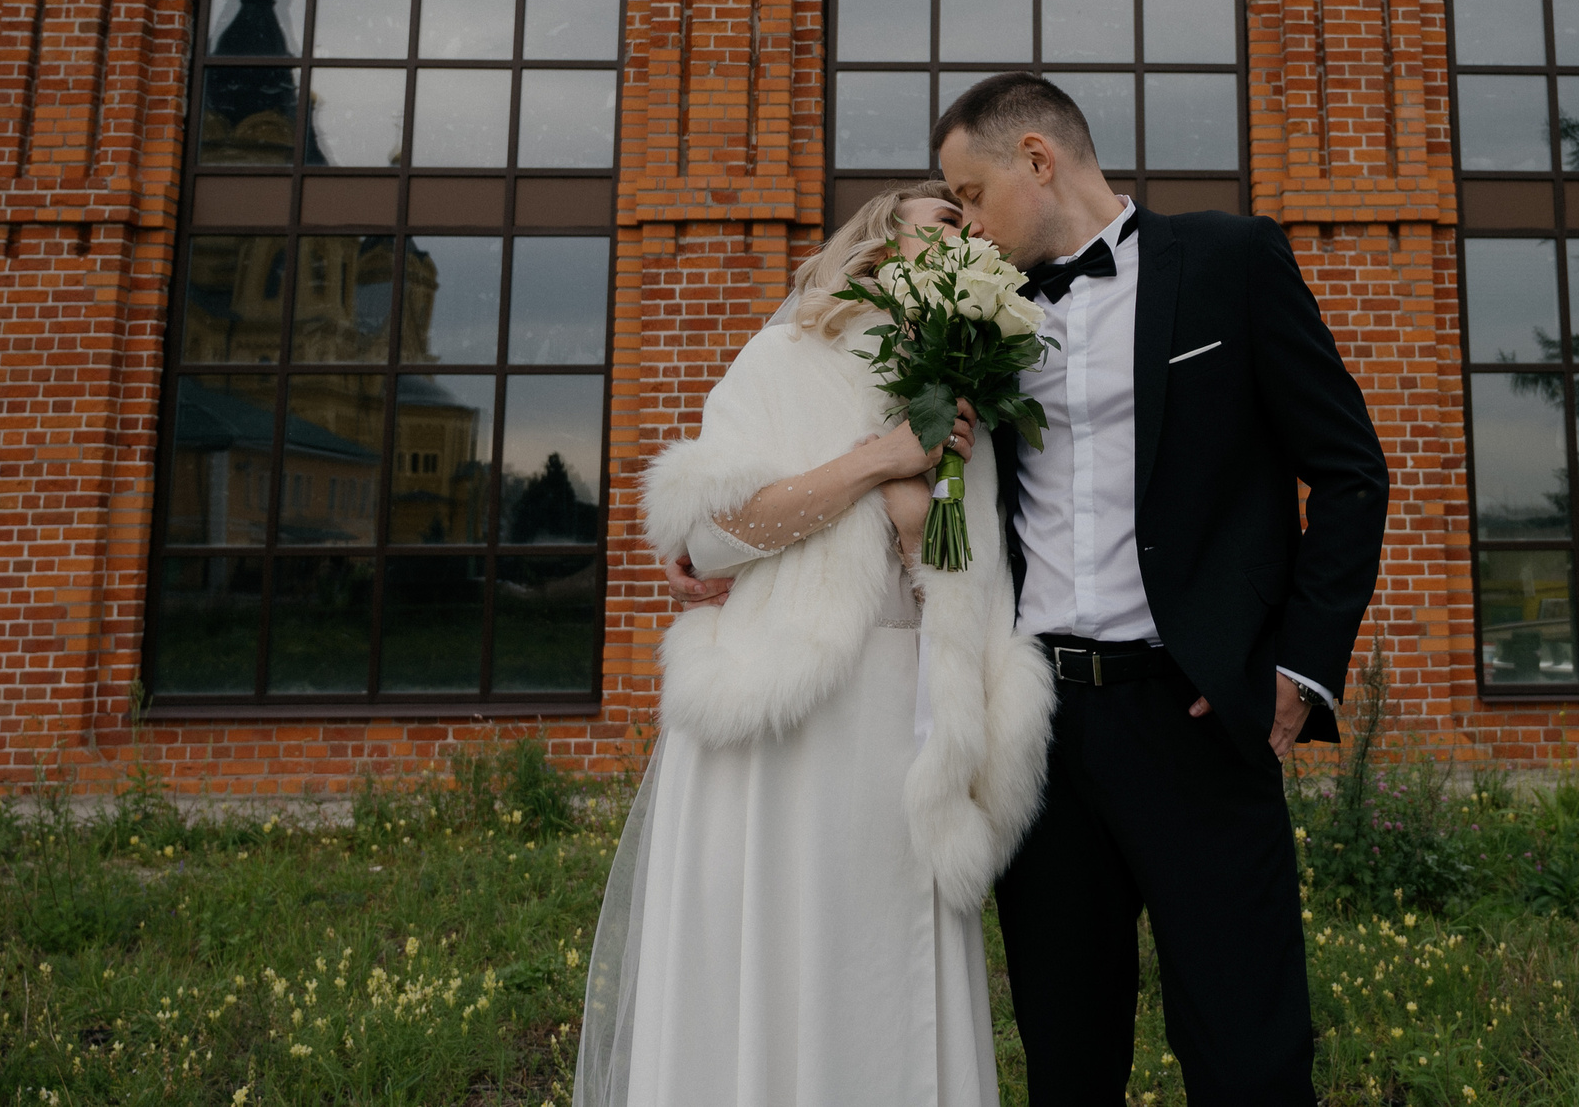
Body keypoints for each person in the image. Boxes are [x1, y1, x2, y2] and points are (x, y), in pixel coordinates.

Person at [936, 72, 1389, 1107]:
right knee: (1066, 1054)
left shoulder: (1230, 262)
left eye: (970, 194)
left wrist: (1298, 663)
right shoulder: (979, 314)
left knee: (1246, 1050)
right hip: (1039, 728)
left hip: (1190, 715)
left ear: (1038, 161)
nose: (964, 222)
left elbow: (1350, 470)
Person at [572, 181, 1057, 1107]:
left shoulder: (972, 393)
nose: (971, 234)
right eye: (947, 221)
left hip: (909, 716)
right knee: (781, 954)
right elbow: (708, 536)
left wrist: (924, 525)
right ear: (881, 240)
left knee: (885, 971)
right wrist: (878, 463)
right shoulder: (784, 354)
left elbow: (969, 570)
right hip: (792, 718)